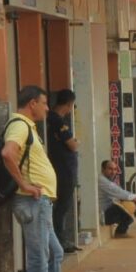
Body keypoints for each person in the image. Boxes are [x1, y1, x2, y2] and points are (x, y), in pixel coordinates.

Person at [2, 85, 76, 272]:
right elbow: (7, 153)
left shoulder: (28, 127)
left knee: (55, 252)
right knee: (39, 255)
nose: (47, 108)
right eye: (44, 103)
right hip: (31, 201)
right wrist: (24, 183)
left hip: (42, 203)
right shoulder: (19, 126)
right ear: (32, 103)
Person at [47, 89, 79, 254]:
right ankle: (59, 240)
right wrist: (75, 142)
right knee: (61, 207)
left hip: (60, 169)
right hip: (63, 170)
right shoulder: (57, 121)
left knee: (60, 207)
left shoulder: (53, 119)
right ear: (68, 104)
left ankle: (60, 239)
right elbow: (72, 145)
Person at [97, 160, 136, 238]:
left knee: (130, 203)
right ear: (103, 170)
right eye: (110, 169)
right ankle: (120, 232)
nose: (113, 172)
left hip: (108, 210)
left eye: (114, 169)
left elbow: (122, 193)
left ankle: (121, 231)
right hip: (102, 214)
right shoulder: (102, 180)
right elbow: (119, 193)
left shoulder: (109, 180)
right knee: (130, 205)